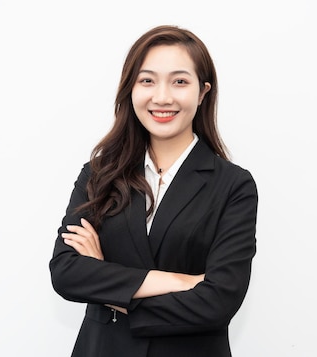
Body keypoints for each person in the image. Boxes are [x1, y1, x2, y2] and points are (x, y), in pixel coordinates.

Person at [49, 24, 258, 357]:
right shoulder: (99, 174)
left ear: (203, 92)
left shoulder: (233, 185)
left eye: (179, 81)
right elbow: (66, 272)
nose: (162, 97)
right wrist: (181, 281)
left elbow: (219, 301)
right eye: (147, 80)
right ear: (130, 89)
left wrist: (109, 289)